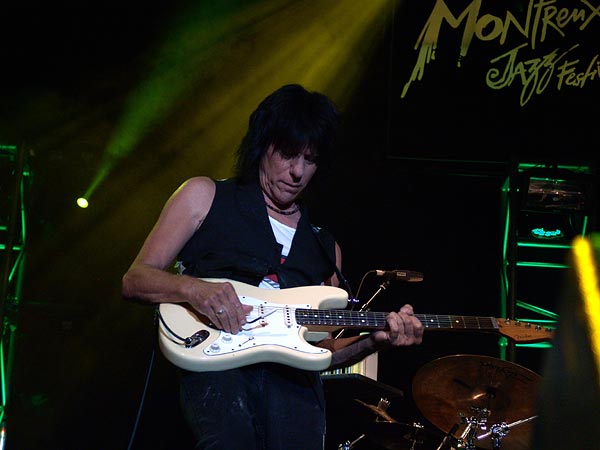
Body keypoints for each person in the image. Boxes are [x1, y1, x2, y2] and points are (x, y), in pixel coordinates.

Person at [121, 83, 424, 450]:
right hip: (218, 373)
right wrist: (193, 289)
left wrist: (373, 342)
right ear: (263, 144)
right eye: (288, 154)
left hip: (295, 397)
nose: (297, 171)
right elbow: (135, 279)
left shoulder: (326, 248)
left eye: (310, 160)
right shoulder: (204, 196)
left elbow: (322, 350)